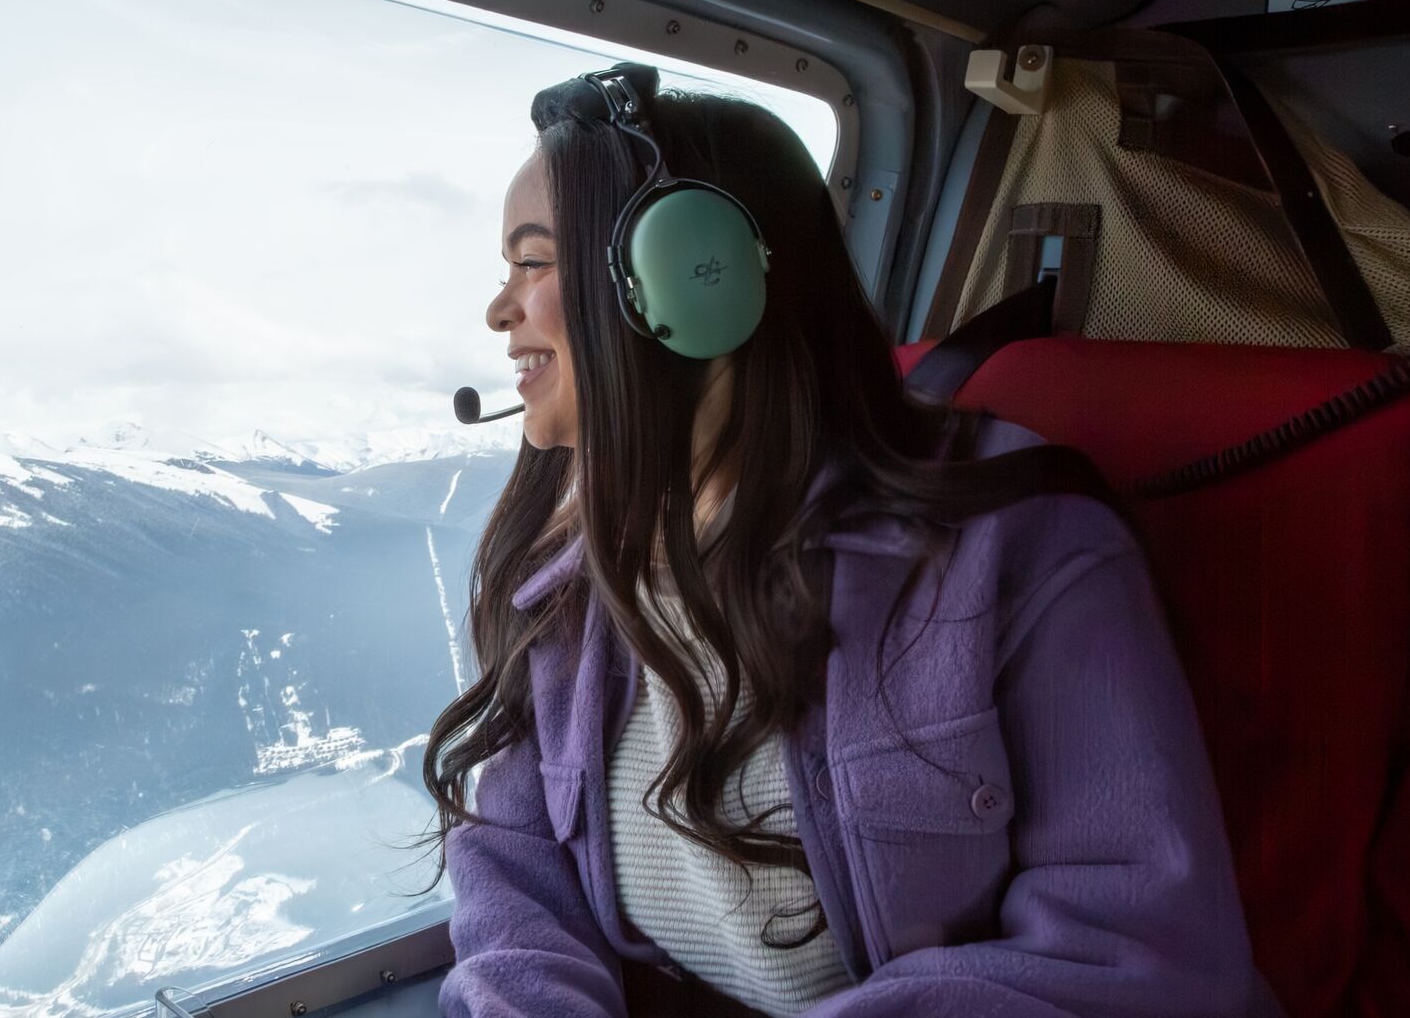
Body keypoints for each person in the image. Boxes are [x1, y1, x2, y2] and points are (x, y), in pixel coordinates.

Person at [420, 64, 1279, 1017]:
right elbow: (513, 862)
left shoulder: (1018, 549)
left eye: (533, 263)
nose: (501, 310)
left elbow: (1135, 954)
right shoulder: (576, 578)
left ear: (693, 275)